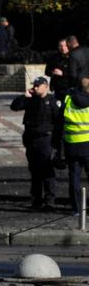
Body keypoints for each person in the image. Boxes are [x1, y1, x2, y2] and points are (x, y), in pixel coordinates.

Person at [11, 76, 60, 210]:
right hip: (31, 138)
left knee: (46, 169)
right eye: (34, 85)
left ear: (46, 86)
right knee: (34, 170)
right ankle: (36, 199)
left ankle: (50, 200)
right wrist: (24, 96)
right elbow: (14, 107)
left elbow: (58, 121)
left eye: (38, 85)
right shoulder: (30, 99)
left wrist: (57, 143)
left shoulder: (52, 102)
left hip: (45, 139)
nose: (35, 88)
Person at [63, 75, 89, 210]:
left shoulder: (68, 99)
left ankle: (76, 208)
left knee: (74, 177)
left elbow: (59, 121)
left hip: (72, 144)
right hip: (88, 144)